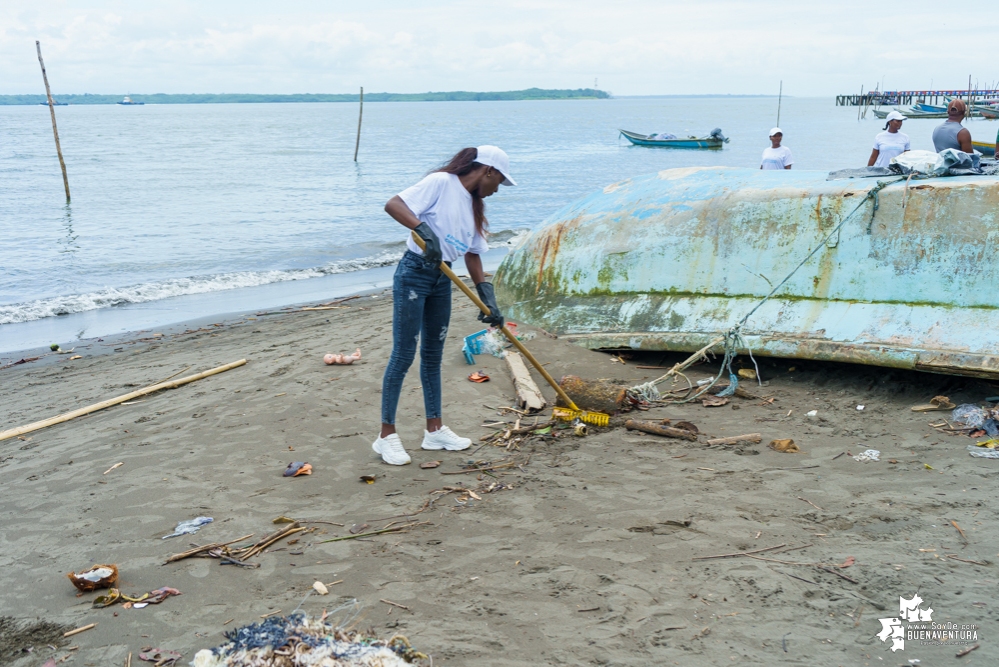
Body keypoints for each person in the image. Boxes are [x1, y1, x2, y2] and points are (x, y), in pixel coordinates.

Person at [371, 146, 515, 465]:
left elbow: (474, 254)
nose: (495, 190)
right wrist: (423, 230)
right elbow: (394, 205)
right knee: (404, 353)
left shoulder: (475, 208)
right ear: (488, 171)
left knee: (433, 355)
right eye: (498, 181)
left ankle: (434, 431)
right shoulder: (441, 183)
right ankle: (386, 436)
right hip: (414, 273)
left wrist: (486, 295)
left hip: (442, 279)